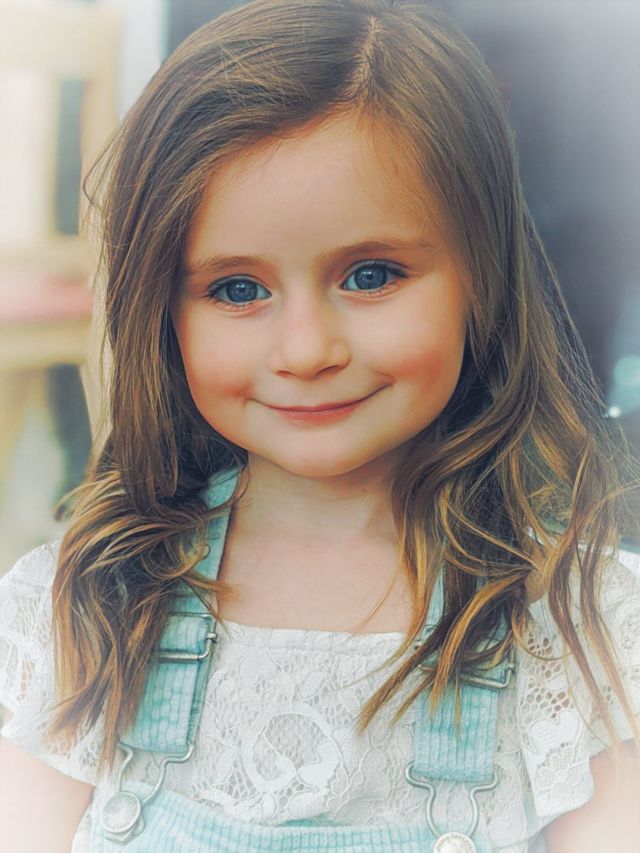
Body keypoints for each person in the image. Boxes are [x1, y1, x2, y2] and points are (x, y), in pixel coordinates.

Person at [1, 0, 639, 850]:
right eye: (238, 289)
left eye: (371, 275)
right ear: (163, 311)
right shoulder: (89, 601)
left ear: (482, 275)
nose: (305, 350)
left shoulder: (576, 622)